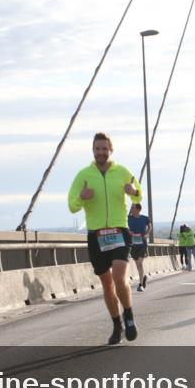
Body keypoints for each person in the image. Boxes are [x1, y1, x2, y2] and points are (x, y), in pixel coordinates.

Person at [68, 132, 143, 345]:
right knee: (107, 284)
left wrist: (133, 191)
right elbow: (72, 205)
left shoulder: (122, 172)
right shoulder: (84, 175)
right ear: (93, 151)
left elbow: (138, 195)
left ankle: (128, 315)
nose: (100, 152)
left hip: (119, 231)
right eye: (97, 149)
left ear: (111, 150)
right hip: (96, 235)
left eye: (104, 149)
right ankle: (116, 324)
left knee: (120, 277)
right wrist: (82, 198)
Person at [128, 203, 152, 292]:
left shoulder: (145, 218)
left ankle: (141, 284)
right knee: (137, 264)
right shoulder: (128, 218)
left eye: (132, 208)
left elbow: (150, 226)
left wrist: (147, 234)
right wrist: (128, 231)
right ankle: (143, 277)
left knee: (140, 263)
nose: (131, 209)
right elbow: (124, 226)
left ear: (138, 209)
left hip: (142, 243)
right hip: (133, 244)